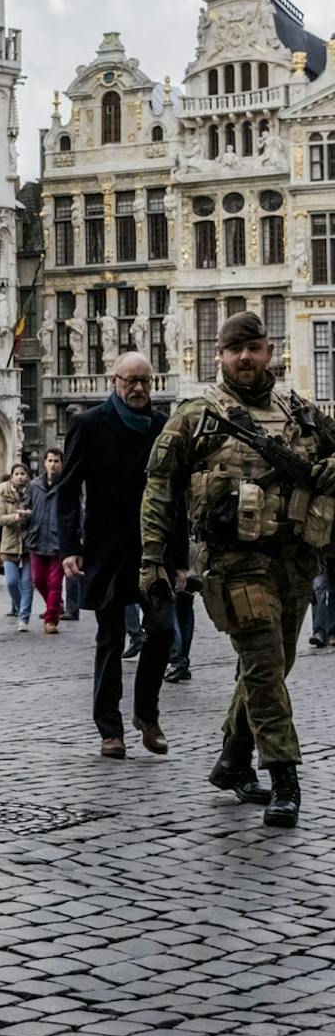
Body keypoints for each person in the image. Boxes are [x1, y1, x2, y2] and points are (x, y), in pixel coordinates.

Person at [143, 310, 335, 829]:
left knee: (271, 666)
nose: (244, 358)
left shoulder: (301, 413)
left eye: (252, 348)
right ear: (219, 355)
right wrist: (152, 559)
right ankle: (284, 779)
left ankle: (232, 758)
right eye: (233, 350)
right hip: (234, 564)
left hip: (295, 561)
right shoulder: (196, 415)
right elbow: (159, 488)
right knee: (266, 666)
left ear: (269, 351)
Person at [59, 353, 178, 760]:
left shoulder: (164, 427)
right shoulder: (88, 425)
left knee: (162, 628)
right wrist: (69, 548)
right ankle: (109, 729)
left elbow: (175, 496)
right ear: (115, 381)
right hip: (106, 549)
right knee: (110, 638)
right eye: (131, 380)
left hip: (153, 549)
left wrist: (179, 560)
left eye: (145, 380)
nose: (139, 388)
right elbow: (68, 490)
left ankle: (146, 715)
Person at [25, 446, 68, 633]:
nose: (53, 464)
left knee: (55, 582)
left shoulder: (67, 485)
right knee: (39, 580)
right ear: (44, 463)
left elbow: (77, 513)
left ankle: (51, 619)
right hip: (37, 538)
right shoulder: (35, 485)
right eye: (50, 461)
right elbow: (28, 506)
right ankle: (56, 603)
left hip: (58, 541)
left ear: (61, 464)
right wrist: (25, 516)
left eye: (56, 461)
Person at [0, 462, 35, 632]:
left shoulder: (34, 493)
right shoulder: (3, 495)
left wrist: (30, 515)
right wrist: (15, 517)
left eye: (22, 473)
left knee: (27, 582)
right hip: (9, 544)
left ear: (27, 476)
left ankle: (24, 617)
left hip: (29, 544)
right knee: (11, 582)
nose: (20, 476)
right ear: (12, 476)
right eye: (16, 473)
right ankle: (20, 608)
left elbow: (40, 513)